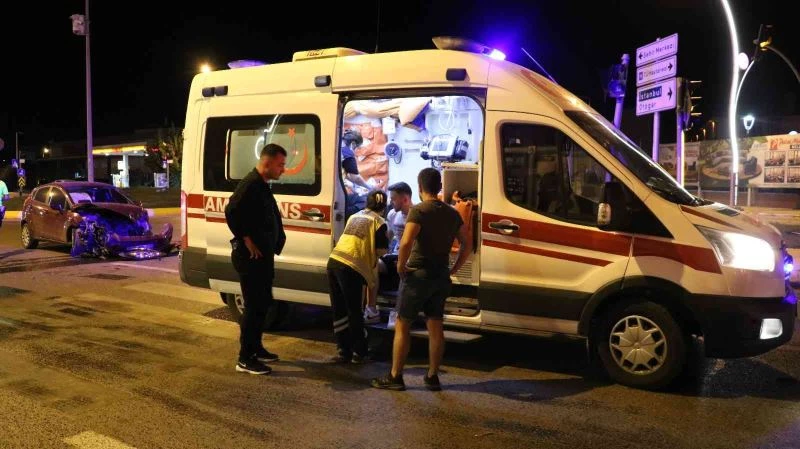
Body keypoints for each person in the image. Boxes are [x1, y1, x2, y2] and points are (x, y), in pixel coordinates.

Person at [371, 168, 471, 391]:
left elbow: (406, 242)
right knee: (435, 325)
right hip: (440, 276)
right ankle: (433, 376)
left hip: (417, 275)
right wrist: (455, 268)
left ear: (419, 187)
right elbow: (467, 244)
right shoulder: (453, 213)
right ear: (440, 187)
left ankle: (396, 376)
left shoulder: (419, 211)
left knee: (403, 324)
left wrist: (401, 266)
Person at [225, 143, 287, 375]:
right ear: (267, 162)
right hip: (250, 258)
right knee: (253, 307)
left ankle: (256, 347)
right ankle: (245, 358)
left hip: (263, 256)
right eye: (280, 164)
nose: (283, 169)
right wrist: (246, 239)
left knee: (262, 304)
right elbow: (231, 211)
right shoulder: (250, 184)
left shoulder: (261, 184)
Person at [327, 189, 389, 364]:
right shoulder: (379, 222)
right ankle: (359, 353)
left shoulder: (354, 216)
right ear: (384, 207)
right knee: (354, 310)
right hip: (351, 267)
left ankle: (343, 350)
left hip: (334, 261)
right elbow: (381, 251)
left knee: (339, 309)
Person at [364, 181, 413, 324]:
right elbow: (389, 237)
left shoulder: (416, 215)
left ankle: (397, 313)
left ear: (405, 199)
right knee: (370, 263)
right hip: (394, 256)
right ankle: (370, 309)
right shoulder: (392, 214)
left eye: (393, 199)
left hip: (408, 258)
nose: (390, 202)